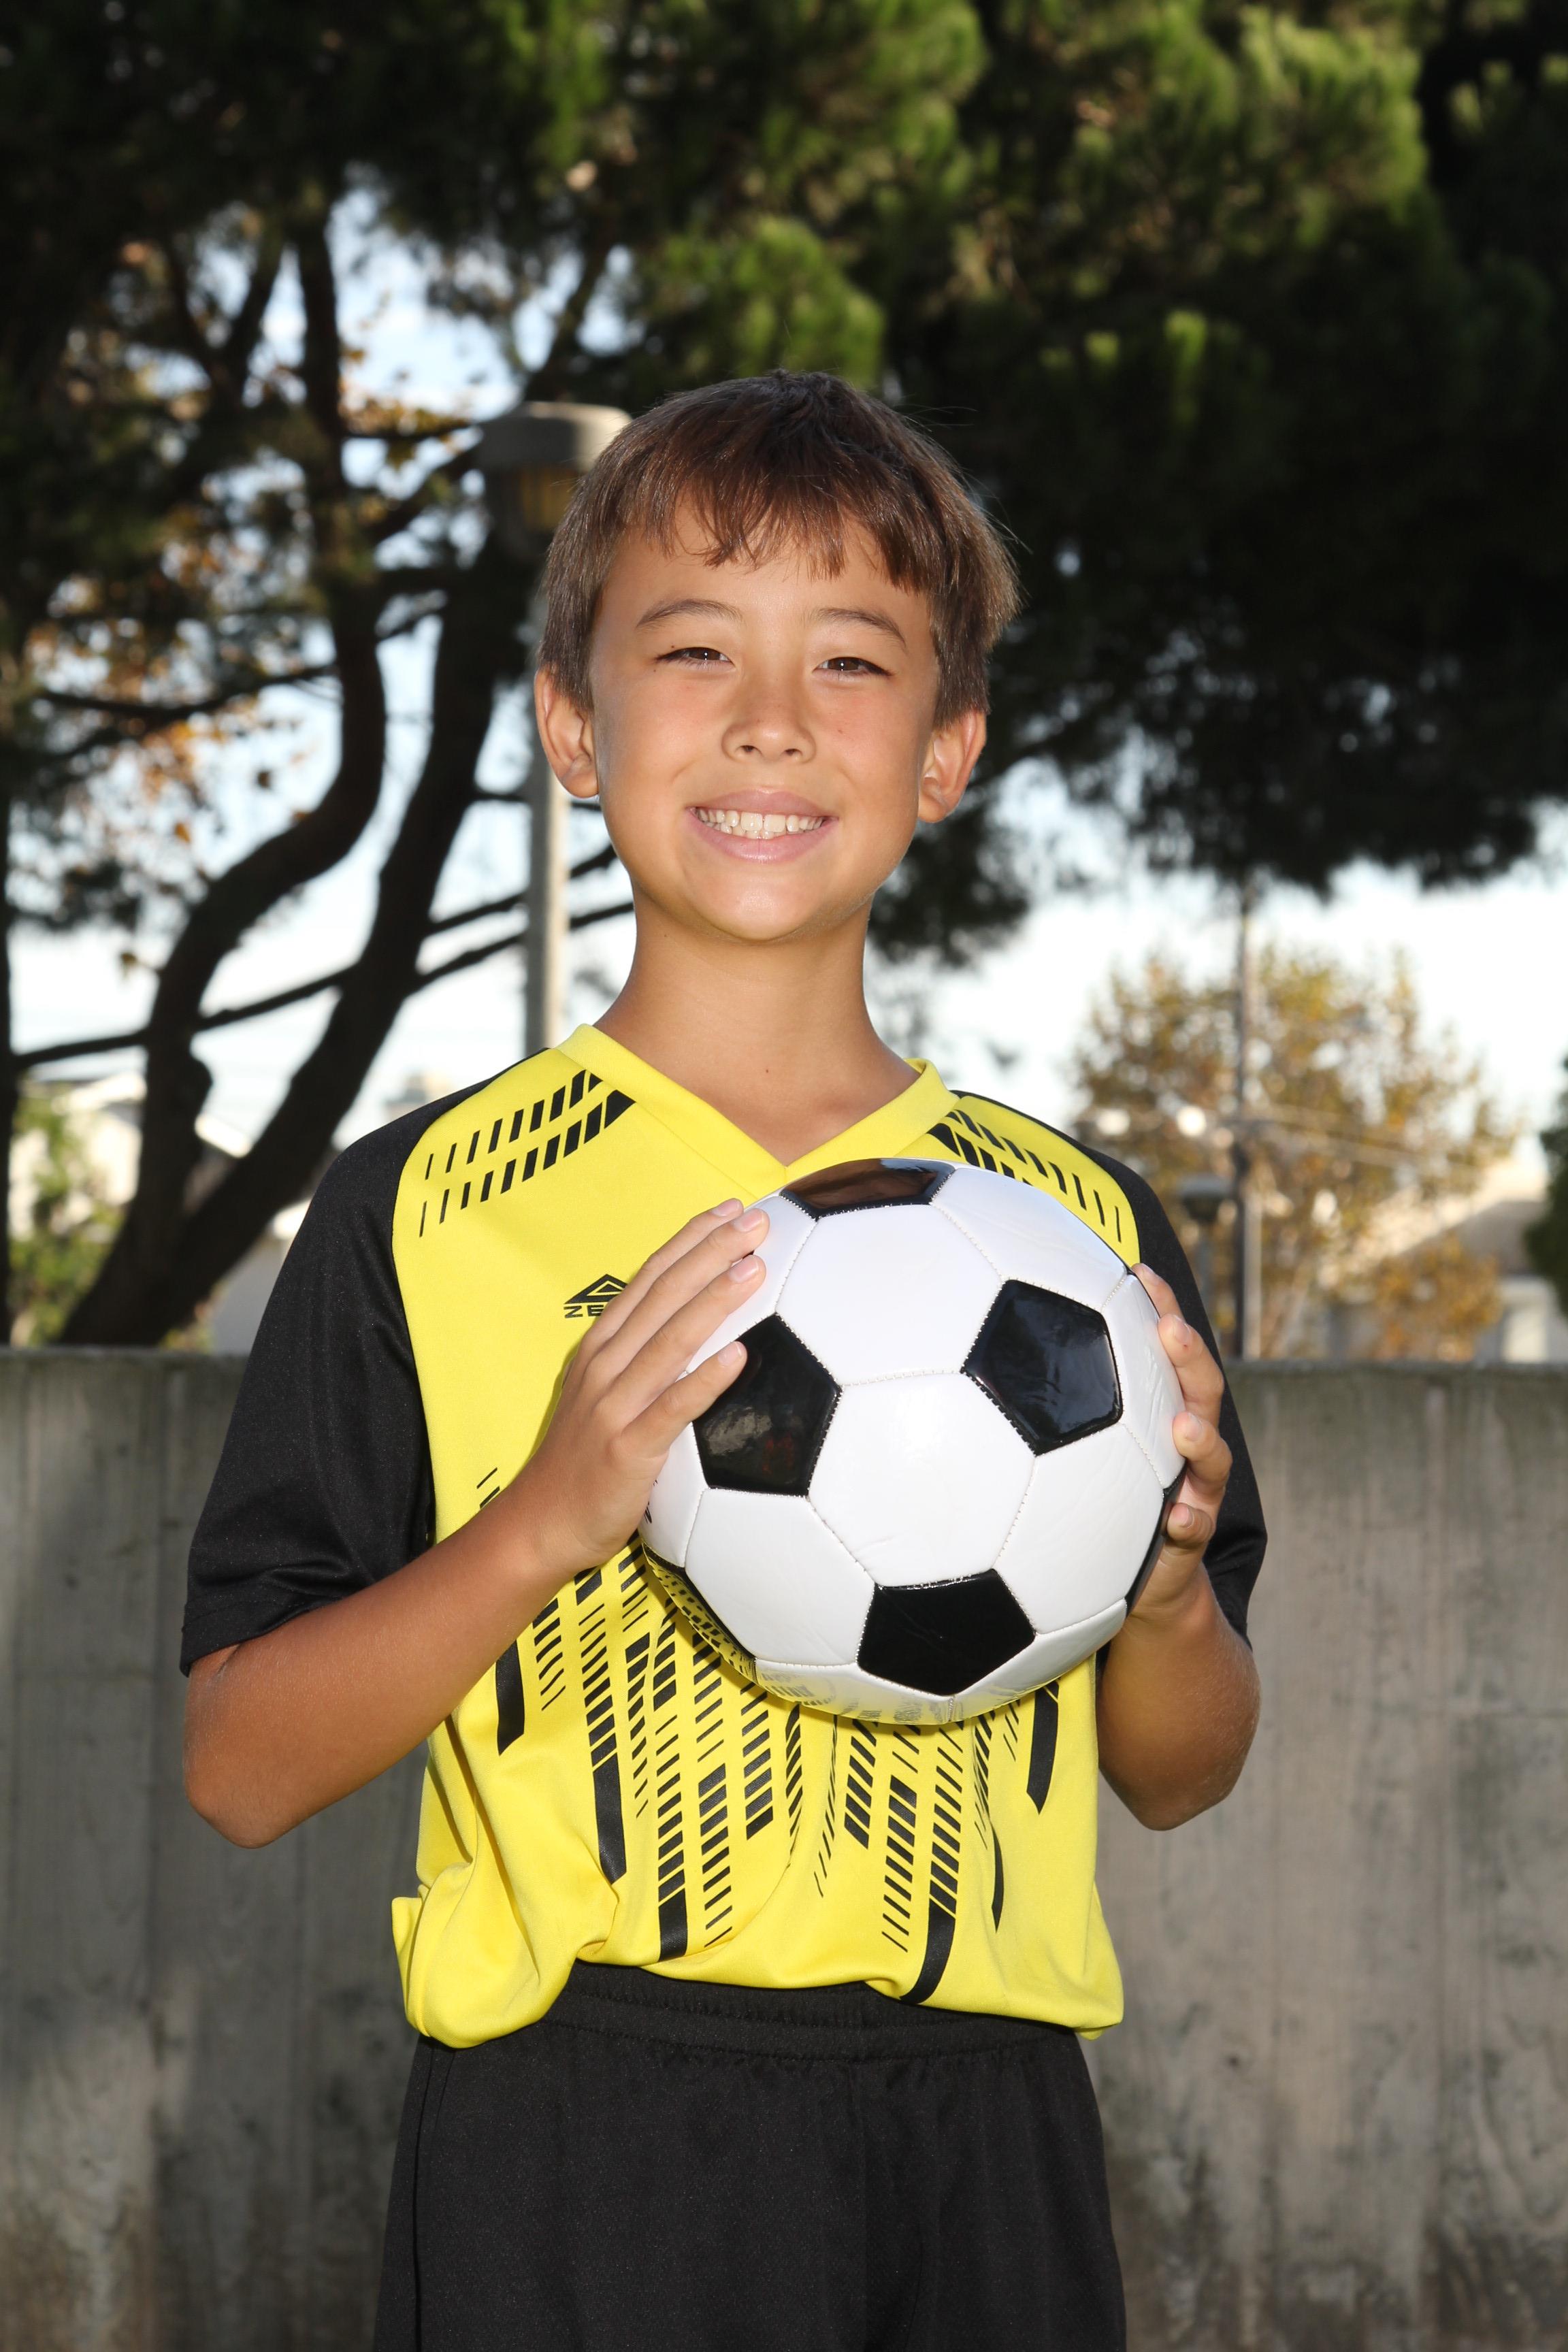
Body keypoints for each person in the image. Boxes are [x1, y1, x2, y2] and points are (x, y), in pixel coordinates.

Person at [182, 370, 1265, 2351]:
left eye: (851, 661)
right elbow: (240, 1769)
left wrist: (1173, 1592)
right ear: (572, 727)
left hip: (989, 2144)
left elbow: (1183, 1775)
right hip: (572, 2146)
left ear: (947, 750)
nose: (772, 718)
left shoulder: (1079, 1236)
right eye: (695, 650)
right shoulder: (419, 1211)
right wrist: (542, 1521)